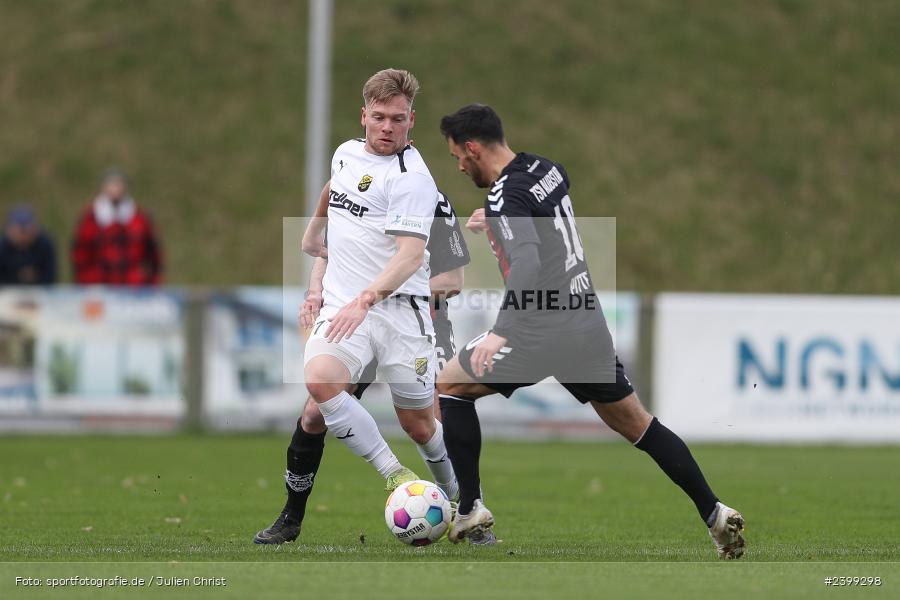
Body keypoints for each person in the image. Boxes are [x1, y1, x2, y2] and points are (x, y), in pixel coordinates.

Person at [435, 104, 745, 559]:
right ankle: (714, 512)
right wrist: (497, 223)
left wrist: (503, 330)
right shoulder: (547, 169)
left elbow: (527, 263)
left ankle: (470, 508)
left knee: (450, 384)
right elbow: (538, 220)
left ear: (473, 147)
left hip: (540, 326)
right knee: (640, 425)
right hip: (585, 320)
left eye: (458, 156)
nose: (459, 165)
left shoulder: (506, 198)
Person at [260, 68, 457, 543]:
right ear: (363, 115)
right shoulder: (345, 154)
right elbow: (335, 196)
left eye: (399, 119)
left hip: (399, 311)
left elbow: (411, 256)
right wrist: (314, 253)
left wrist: (368, 297)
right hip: (347, 310)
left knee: (419, 422)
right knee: (317, 394)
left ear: (412, 121)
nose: (388, 127)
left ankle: (463, 501)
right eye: (380, 117)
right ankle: (383, 480)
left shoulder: (414, 180)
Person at [253, 182, 486, 544]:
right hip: (356, 319)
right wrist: (316, 291)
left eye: (396, 120)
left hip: (415, 322)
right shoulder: (359, 187)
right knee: (314, 413)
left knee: (428, 425)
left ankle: (469, 514)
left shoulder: (430, 200)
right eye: (379, 119)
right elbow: (329, 253)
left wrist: (394, 291)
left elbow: (453, 280)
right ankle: (291, 517)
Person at [71, 169, 163, 285]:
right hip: (99, 288)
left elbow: (154, 256)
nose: (115, 189)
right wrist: (86, 282)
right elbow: (80, 256)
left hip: (133, 288)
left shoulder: (139, 218)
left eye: (118, 184)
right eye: (111, 184)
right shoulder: (90, 219)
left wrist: (149, 282)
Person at [0, 204, 57, 285]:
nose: (24, 236)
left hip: (39, 291)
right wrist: (18, 277)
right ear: (9, 230)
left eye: (27, 231)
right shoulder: (2, 246)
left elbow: (50, 276)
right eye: (20, 231)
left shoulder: (45, 244)